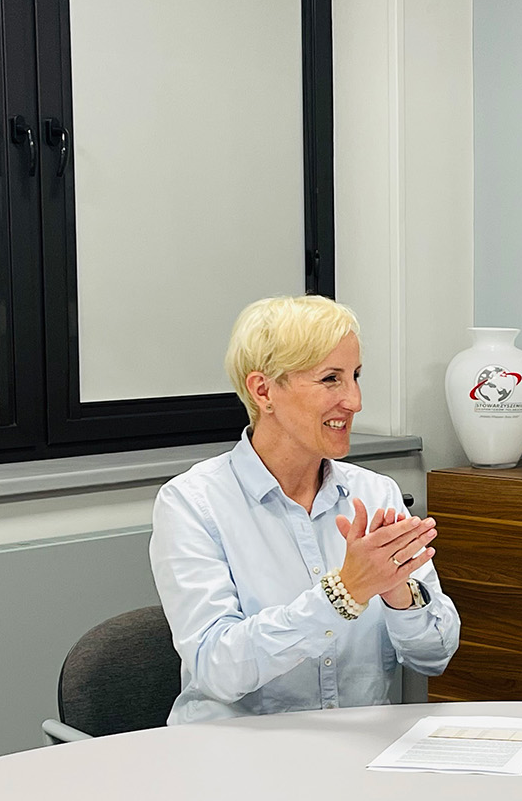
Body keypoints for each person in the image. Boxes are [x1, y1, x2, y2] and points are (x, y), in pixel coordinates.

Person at [150, 295, 461, 724]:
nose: (354, 401)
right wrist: (343, 593)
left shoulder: (375, 494)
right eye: (331, 379)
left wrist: (399, 595)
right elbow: (217, 668)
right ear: (263, 391)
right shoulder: (192, 503)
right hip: (237, 754)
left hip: (357, 750)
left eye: (355, 376)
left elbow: (435, 656)